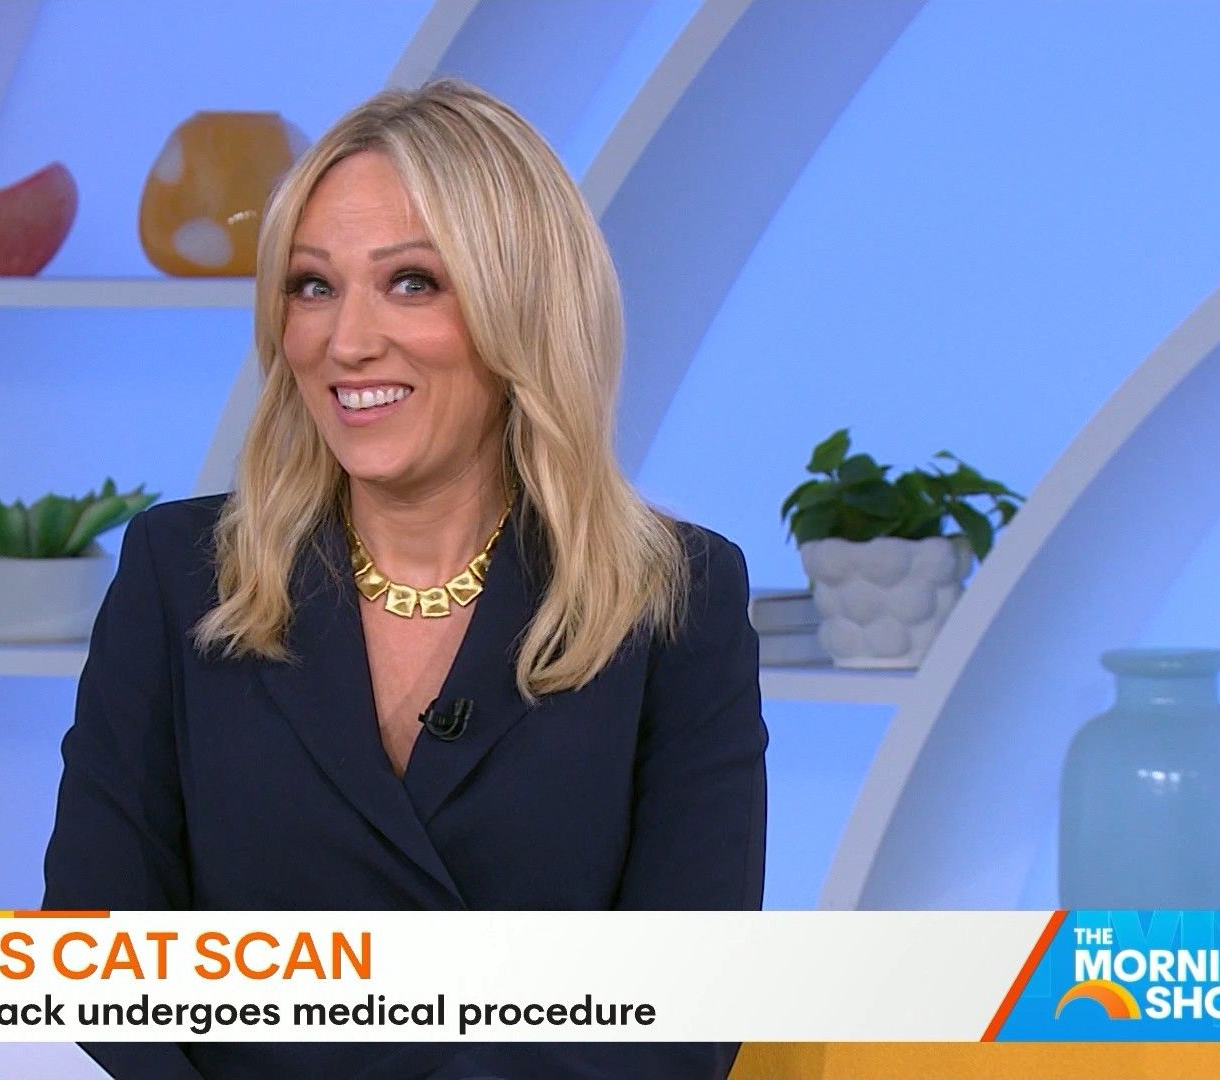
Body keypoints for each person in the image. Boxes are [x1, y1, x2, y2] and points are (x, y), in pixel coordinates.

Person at [43, 77, 768, 1079]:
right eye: (312, 286)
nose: (346, 342)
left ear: (524, 307)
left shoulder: (675, 598)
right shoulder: (181, 574)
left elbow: (682, 1012)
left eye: (412, 282)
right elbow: (92, 970)